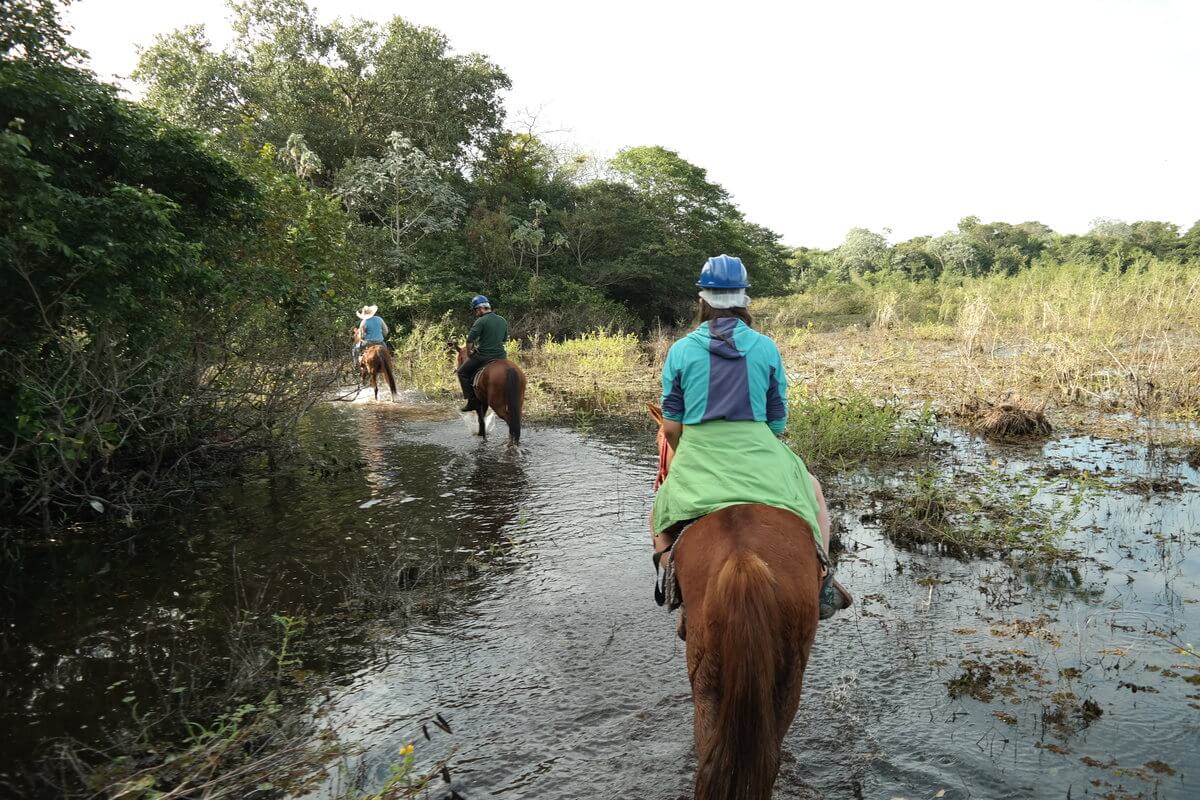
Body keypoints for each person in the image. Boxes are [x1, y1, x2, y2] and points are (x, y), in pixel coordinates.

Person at [651, 255, 852, 619]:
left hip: (698, 449)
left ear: (704, 300)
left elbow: (672, 425)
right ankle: (822, 578)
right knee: (815, 491)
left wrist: (684, 456)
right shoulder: (765, 347)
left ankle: (672, 581)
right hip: (758, 444)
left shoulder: (680, 350)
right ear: (744, 300)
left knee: (659, 519)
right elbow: (776, 421)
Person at [458, 295, 508, 412]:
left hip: (484, 356)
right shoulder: (502, 320)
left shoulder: (481, 321)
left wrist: (470, 352)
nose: (475, 313)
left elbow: (470, 340)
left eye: (475, 310)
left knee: (462, 373)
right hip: (501, 357)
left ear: (480, 309)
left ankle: (471, 401)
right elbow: (504, 339)